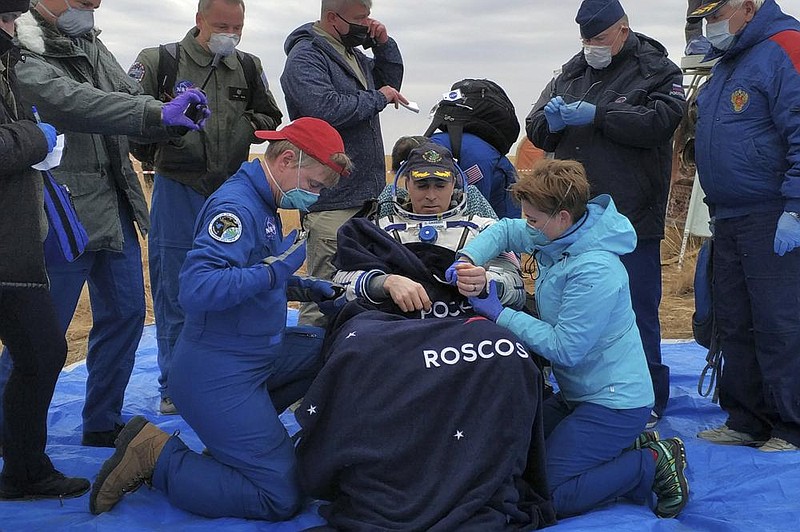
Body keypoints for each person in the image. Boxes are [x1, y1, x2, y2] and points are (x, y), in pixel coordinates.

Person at [89, 117, 353, 519]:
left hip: (250, 355)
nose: (313, 197)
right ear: (286, 159)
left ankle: (237, 443)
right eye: (314, 185)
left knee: (335, 350)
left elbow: (246, 273)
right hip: (217, 372)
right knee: (279, 497)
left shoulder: (264, 200)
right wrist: (276, 271)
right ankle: (156, 456)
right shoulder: (236, 207)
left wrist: (300, 286)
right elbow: (197, 289)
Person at [0, 0, 210, 449]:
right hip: (59, 214)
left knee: (127, 316)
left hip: (115, 206)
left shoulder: (90, 44)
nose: (93, 6)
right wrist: (154, 114)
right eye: (82, 0)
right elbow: (72, 103)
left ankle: (102, 421)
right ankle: (9, 432)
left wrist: (172, 111)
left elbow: (127, 96)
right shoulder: (16, 47)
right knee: (40, 334)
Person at [452, 159, 689, 519]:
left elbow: (567, 349)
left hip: (614, 403)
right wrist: (468, 258)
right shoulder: (559, 232)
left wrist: (500, 313)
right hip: (578, 394)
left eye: (534, 220)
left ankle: (651, 461)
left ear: (562, 217)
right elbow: (504, 231)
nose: (528, 227)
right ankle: (618, 448)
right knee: (517, 451)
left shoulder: (595, 270)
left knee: (549, 495)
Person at [526, 0, 686, 429]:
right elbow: (535, 125)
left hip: (631, 213)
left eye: (598, 38)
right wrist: (553, 121)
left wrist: (599, 115)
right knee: (571, 308)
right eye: (585, 39)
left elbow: (662, 121)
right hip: (572, 219)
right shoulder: (571, 72)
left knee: (636, 307)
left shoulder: (657, 70)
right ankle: (585, 393)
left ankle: (648, 398)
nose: (590, 46)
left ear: (622, 29)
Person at [128, 0, 283, 415]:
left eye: (237, 27)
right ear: (198, 20)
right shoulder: (159, 61)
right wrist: (170, 124)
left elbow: (270, 114)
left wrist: (242, 127)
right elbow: (128, 121)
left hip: (231, 191)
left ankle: (229, 375)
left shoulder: (247, 66)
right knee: (175, 289)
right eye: (220, 26)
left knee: (237, 281)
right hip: (178, 187)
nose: (229, 34)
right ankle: (173, 386)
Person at [689, 0, 800, 453]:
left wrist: (796, 206)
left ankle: (790, 425)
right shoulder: (729, 62)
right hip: (729, 215)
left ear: (749, 6)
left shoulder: (785, 47)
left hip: (772, 213)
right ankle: (747, 418)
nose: (709, 25)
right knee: (733, 321)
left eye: (716, 15)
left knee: (778, 323)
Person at [0, 0, 90, 501]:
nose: (13, 30)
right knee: (41, 350)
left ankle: (24, 469)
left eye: (14, 20)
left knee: (42, 350)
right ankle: (24, 470)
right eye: (6, 19)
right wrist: (35, 135)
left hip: (12, 245)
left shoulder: (9, 65)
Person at [281, 0, 405, 327]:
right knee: (323, 297)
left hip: (366, 197)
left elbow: (389, 83)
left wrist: (384, 45)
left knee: (365, 293)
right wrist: (379, 98)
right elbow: (325, 110)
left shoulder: (351, 53)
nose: (367, 24)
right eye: (360, 19)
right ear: (333, 18)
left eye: (368, 17)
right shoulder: (306, 57)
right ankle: (312, 374)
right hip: (331, 202)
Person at [334, 141, 526, 313]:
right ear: (407, 183)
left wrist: (487, 282)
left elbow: (517, 290)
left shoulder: (486, 229)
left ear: (454, 184)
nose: (431, 195)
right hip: (395, 328)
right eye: (422, 185)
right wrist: (383, 283)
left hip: (463, 327)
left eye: (440, 186)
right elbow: (339, 283)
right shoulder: (378, 229)